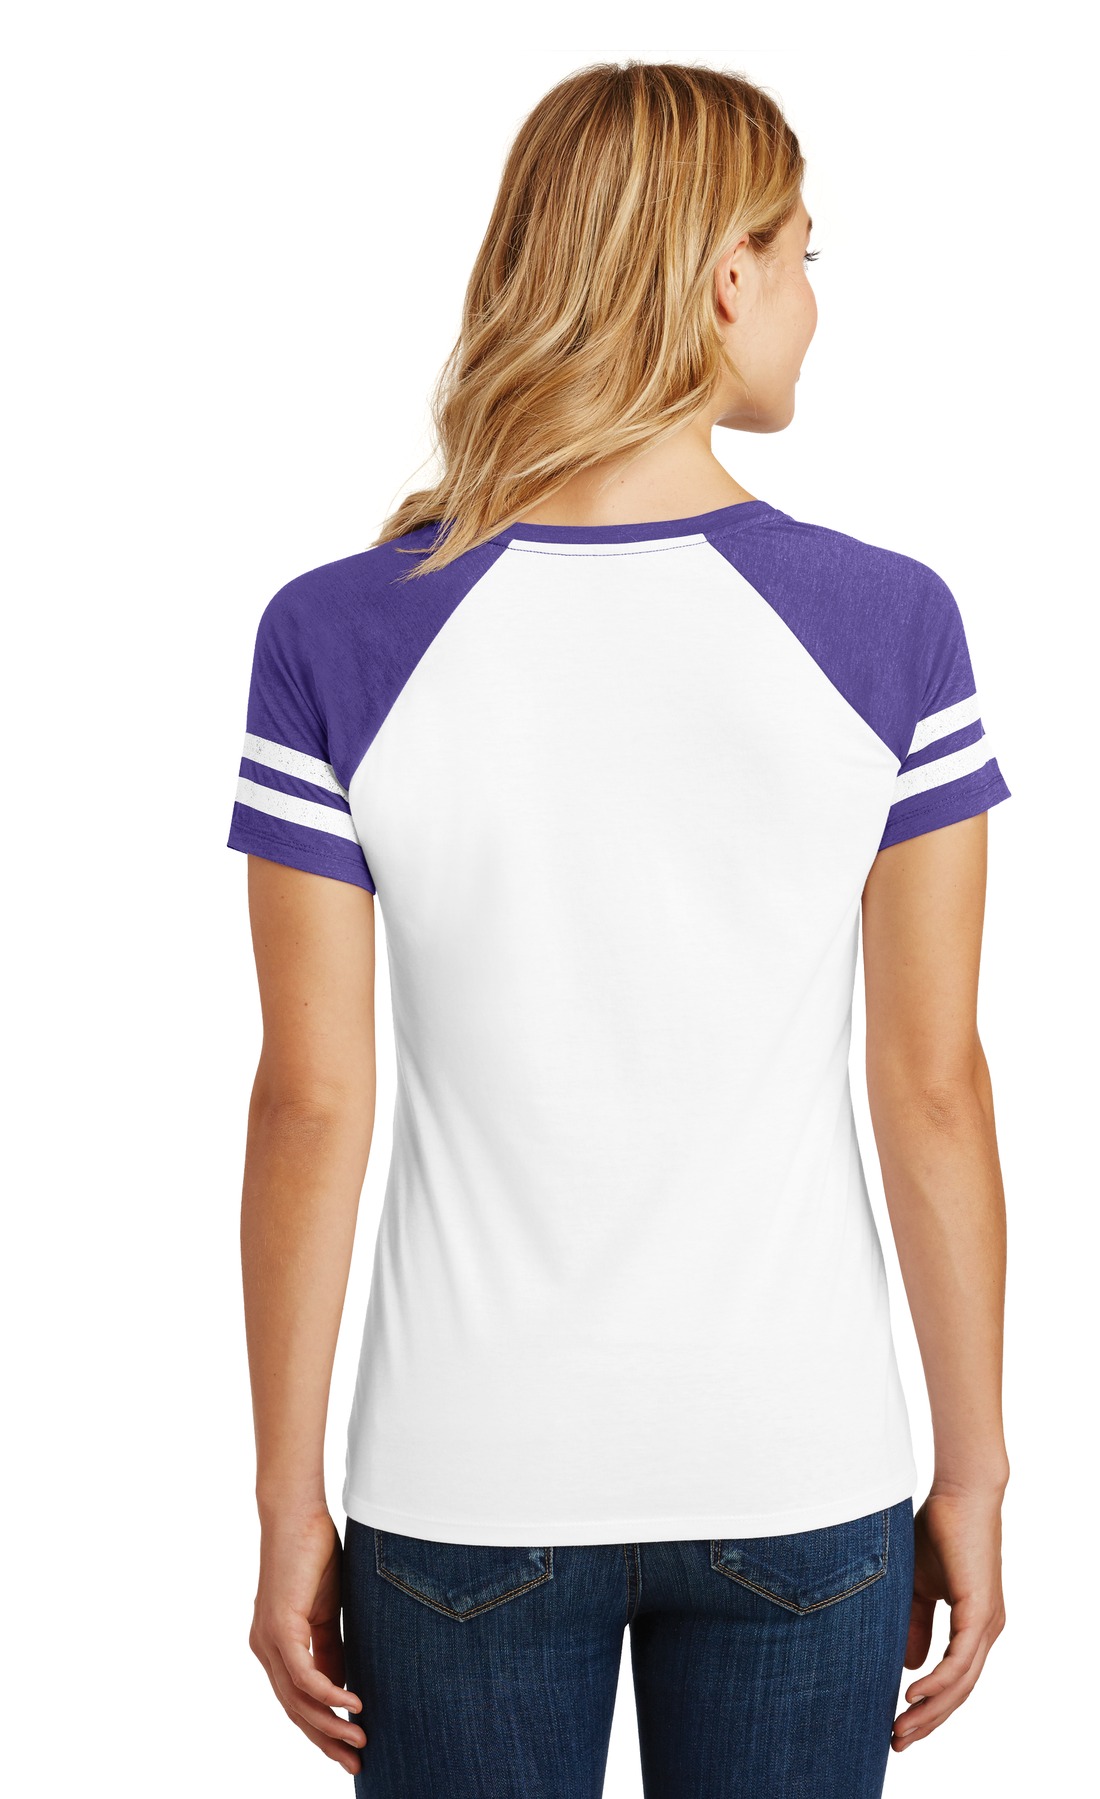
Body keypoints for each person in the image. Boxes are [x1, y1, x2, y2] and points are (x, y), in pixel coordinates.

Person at [227, 59, 1010, 1799]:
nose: (812, 301)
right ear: (727, 278)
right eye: (804, 254)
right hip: (798, 1465)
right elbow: (934, 1086)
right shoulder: (889, 625)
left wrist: (286, 1506)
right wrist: (974, 1467)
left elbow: (312, 1103)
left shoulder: (339, 633)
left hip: (465, 1478)